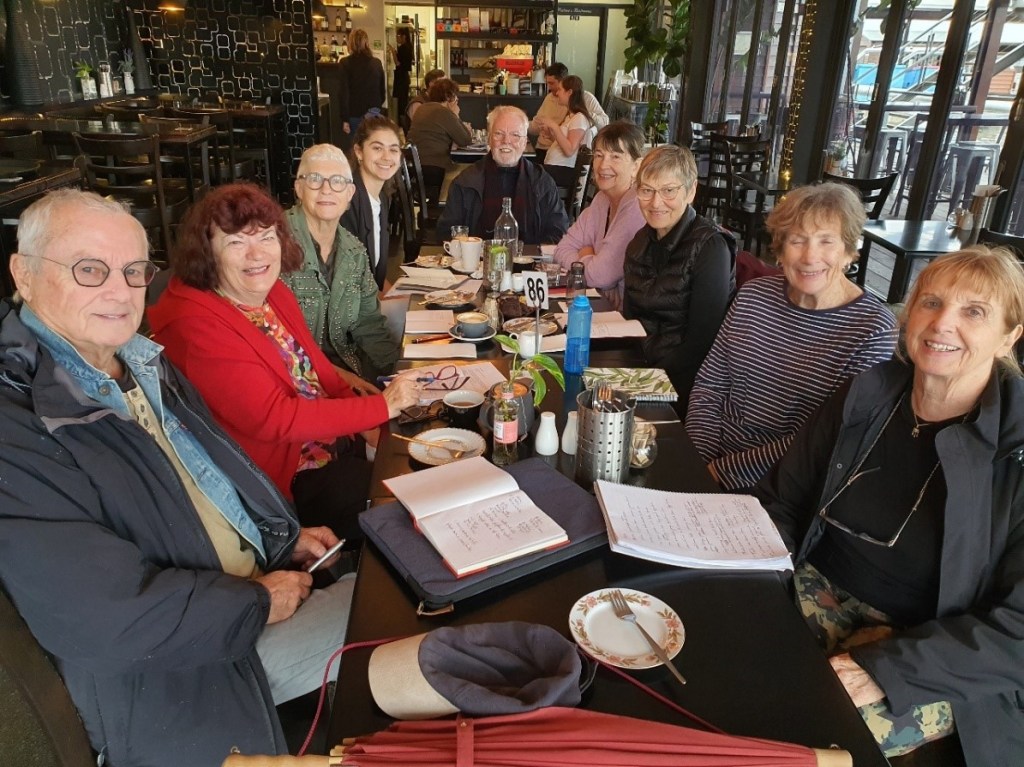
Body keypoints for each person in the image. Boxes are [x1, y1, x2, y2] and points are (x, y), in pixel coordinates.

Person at [0, 189, 357, 766]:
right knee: (401, 615)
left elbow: (213, 477)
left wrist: (281, 538)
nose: (119, 291)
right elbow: (107, 618)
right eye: (89, 270)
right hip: (184, 673)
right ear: (23, 272)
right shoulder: (18, 422)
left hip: (241, 597)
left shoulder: (140, 361)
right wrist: (255, 604)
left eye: (133, 270)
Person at [753, 247, 1024, 767]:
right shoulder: (867, 395)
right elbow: (783, 499)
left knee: (793, 743)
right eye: (931, 302)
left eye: (974, 311)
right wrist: (755, 576)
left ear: (1010, 335)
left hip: (931, 652)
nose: (942, 323)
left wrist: (884, 666)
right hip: (811, 586)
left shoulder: (1015, 452)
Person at [149, 183, 421, 544]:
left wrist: (364, 410)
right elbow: (276, 420)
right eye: (235, 242)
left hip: (328, 440)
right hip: (285, 476)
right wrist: (379, 408)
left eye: (266, 237)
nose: (256, 254)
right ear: (207, 254)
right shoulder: (195, 325)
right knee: (400, 513)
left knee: (419, 454)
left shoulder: (268, 290)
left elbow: (314, 365)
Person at [686, 183, 898, 491]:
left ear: (850, 251)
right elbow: (710, 386)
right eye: (797, 240)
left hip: (784, 488)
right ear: (781, 249)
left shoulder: (872, 329)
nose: (810, 257)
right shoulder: (753, 296)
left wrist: (724, 471)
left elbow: (826, 440)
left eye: (826, 241)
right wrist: (696, 461)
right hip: (710, 464)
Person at [622, 145, 736, 404]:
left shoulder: (711, 247)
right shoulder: (639, 242)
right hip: (641, 366)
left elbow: (701, 342)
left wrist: (647, 379)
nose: (656, 202)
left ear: (691, 191)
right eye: (647, 190)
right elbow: (630, 319)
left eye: (669, 190)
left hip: (689, 381)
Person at [284, 143, 399, 380]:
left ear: (349, 194)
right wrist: (337, 378)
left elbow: (369, 324)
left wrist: (397, 372)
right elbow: (272, 341)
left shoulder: (354, 251)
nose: (327, 189)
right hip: (294, 380)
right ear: (299, 188)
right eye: (315, 179)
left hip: (350, 372)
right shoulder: (274, 245)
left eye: (337, 181)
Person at [437, 105, 570, 244]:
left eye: (515, 135)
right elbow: (447, 231)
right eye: (499, 133)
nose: (506, 141)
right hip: (478, 262)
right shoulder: (465, 182)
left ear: (525, 142)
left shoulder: (542, 182)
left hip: (527, 261)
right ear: (489, 139)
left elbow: (559, 231)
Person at [552, 120, 646, 310]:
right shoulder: (602, 199)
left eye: (616, 157)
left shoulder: (636, 206)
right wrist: (591, 262)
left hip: (629, 317)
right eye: (599, 155)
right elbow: (561, 249)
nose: (603, 165)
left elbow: (599, 276)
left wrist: (585, 253)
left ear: (636, 166)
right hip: (601, 306)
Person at [341, 115, 403, 290]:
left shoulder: (381, 199)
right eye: (377, 148)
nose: (386, 157)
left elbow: (376, 277)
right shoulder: (347, 201)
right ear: (359, 152)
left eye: (393, 150)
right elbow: (350, 281)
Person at [406, 77, 473, 206]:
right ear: (449, 97)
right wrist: (455, 115)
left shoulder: (422, 108)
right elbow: (465, 140)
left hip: (415, 166)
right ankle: (448, 209)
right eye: (455, 97)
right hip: (434, 167)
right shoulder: (444, 112)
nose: (456, 100)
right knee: (466, 171)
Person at [529, 62, 608, 164]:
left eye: (552, 83)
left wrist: (583, 110)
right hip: (547, 150)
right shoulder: (550, 99)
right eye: (547, 83)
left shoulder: (585, 103)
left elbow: (605, 123)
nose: (549, 88)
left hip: (561, 159)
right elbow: (536, 124)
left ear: (564, 83)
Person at [535, 75, 595, 189]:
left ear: (569, 92)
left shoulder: (579, 118)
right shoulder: (570, 116)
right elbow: (563, 143)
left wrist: (554, 126)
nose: (557, 93)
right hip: (556, 168)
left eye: (560, 90)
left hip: (563, 171)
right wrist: (550, 133)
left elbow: (569, 150)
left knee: (529, 172)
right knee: (527, 170)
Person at [338, 28, 386, 139]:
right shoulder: (376, 63)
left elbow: (343, 93)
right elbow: (382, 91)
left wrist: (344, 119)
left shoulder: (345, 63)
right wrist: (376, 107)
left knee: (357, 147)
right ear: (367, 43)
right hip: (374, 112)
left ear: (351, 43)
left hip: (354, 112)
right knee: (373, 145)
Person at [392, 28, 413, 122]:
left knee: (401, 101)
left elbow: (397, 63)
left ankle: (401, 122)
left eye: (398, 36)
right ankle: (403, 121)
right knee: (404, 100)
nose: (397, 38)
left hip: (401, 77)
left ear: (404, 36)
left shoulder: (403, 48)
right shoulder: (409, 46)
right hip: (405, 77)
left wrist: (393, 52)